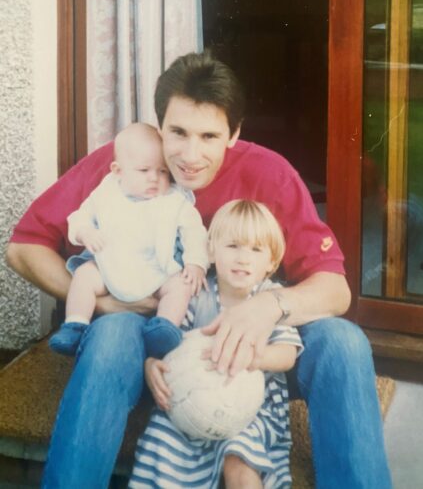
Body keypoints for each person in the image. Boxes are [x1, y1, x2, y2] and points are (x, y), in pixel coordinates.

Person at [6, 51, 392, 488]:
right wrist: (104, 301)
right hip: (148, 335)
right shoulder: (124, 165)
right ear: (158, 125)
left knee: (343, 341)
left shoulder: (270, 174)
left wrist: (268, 306)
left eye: (209, 136)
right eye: (178, 133)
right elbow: (23, 249)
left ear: (234, 134)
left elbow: (335, 290)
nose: (190, 155)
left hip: (244, 338)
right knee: (112, 334)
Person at [130, 199, 304, 489]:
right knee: (161, 440)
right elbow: (168, 344)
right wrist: (152, 365)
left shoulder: (269, 298)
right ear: (211, 251)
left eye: (256, 249)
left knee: (240, 460)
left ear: (271, 262)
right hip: (190, 398)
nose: (243, 258)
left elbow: (287, 355)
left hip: (252, 408)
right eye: (233, 246)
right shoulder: (196, 295)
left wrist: (250, 358)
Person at [48, 123, 208, 358]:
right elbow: (79, 217)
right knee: (84, 275)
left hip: (157, 272)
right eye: (144, 170)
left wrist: (196, 263)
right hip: (110, 267)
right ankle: (75, 325)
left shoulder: (174, 200)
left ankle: (164, 327)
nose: (154, 178)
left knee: (180, 285)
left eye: (163, 171)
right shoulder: (107, 192)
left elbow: (195, 232)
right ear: (118, 170)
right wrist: (85, 231)